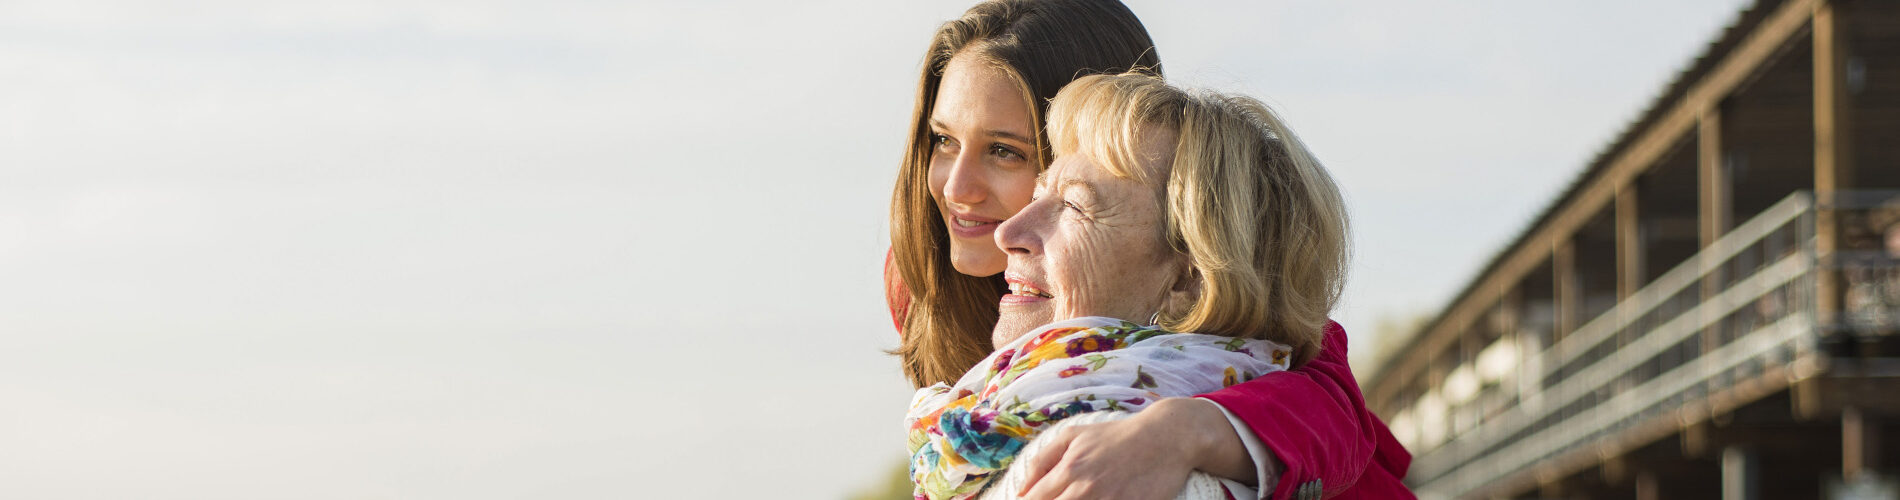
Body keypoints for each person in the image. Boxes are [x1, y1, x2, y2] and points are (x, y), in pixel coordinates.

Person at [886, 1, 1410, 498]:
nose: (957, 188)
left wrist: (1184, 431)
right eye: (943, 140)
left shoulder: (1215, 283)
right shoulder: (919, 280)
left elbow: (1331, 413)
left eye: (1005, 152)